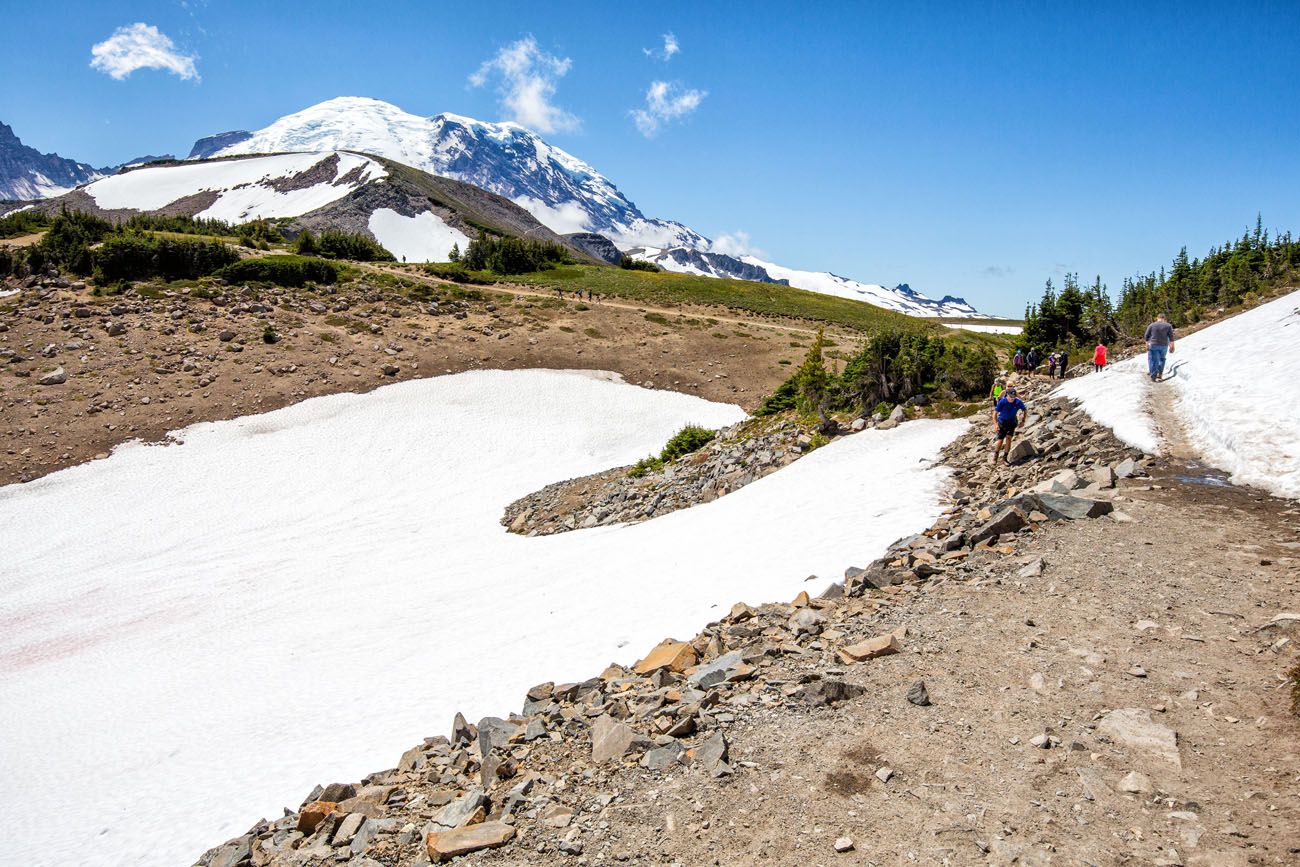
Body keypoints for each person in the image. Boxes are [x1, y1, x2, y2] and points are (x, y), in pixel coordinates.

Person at [992, 385, 1028, 465]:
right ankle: (995, 457)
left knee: (1008, 438)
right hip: (1002, 422)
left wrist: (1023, 421)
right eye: (1010, 397)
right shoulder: (1002, 402)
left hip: (1012, 422)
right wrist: (995, 424)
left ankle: (1005, 458)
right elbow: (994, 414)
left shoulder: (1018, 402)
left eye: (1013, 397)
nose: (1012, 398)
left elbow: (1025, 410)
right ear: (1006, 395)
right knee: (1000, 440)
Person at [1144, 313, 1176, 381]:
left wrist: (1147, 344)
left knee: (1154, 360)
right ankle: (1160, 374)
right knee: (1162, 359)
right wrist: (1172, 346)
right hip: (1164, 345)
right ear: (1164, 318)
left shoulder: (1152, 325)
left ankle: (1153, 376)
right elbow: (1171, 337)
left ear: (1157, 318)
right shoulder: (1168, 325)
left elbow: (1146, 336)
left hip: (1153, 345)